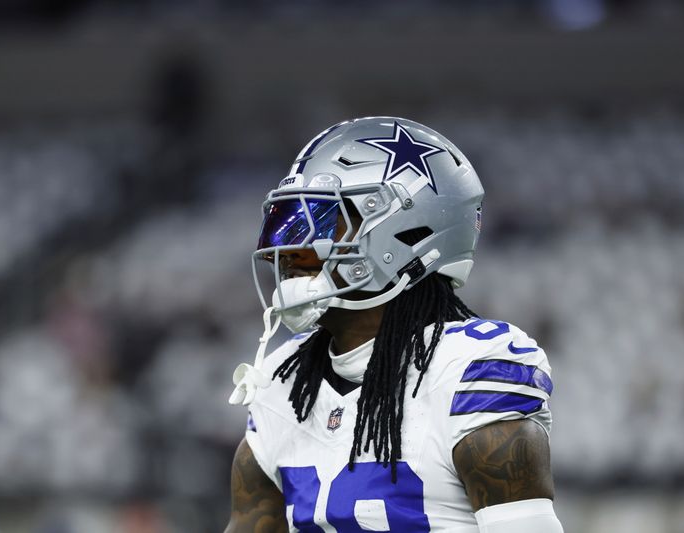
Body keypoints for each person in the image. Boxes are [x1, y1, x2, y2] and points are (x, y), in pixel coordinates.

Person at [226, 117, 563, 532]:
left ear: (405, 232)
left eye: (322, 219)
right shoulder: (284, 382)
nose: (291, 249)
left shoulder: (468, 370)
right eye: (290, 221)